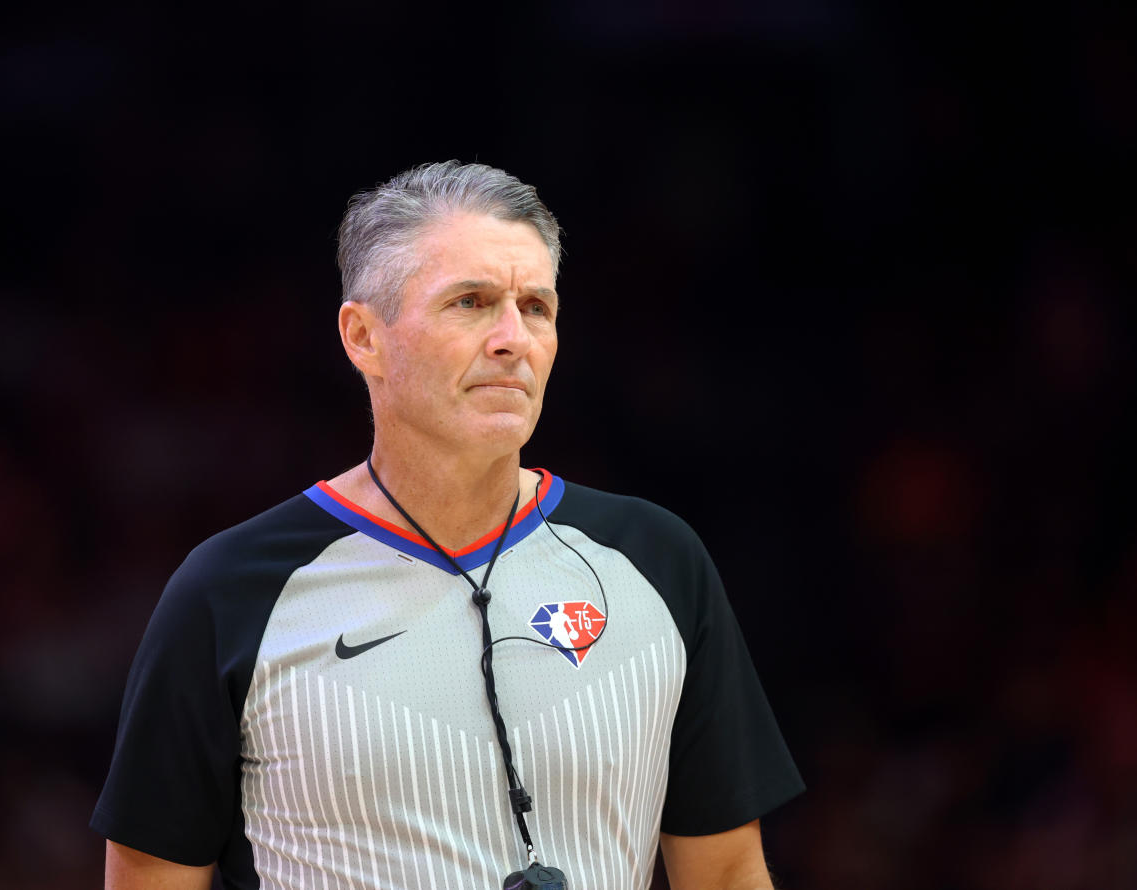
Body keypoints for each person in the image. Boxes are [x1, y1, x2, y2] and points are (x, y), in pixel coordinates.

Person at [91, 160, 804, 890]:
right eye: (470, 302)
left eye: (535, 307)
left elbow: (724, 873)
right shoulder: (229, 592)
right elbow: (149, 878)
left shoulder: (658, 561)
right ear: (363, 337)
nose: (512, 338)